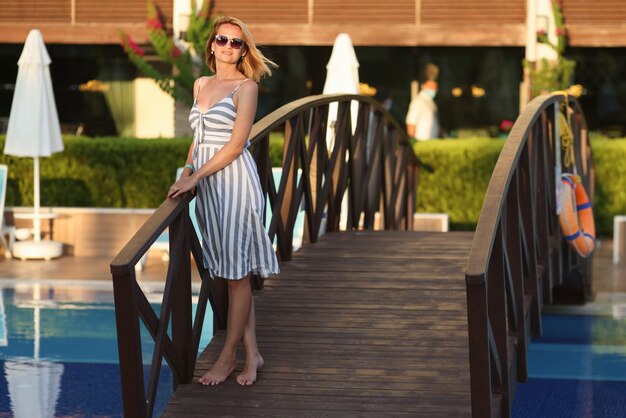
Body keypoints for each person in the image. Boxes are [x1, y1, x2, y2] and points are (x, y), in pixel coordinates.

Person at [167, 15, 279, 387]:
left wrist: (195, 178)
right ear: (212, 45)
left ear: (244, 49)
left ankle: (229, 357)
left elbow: (234, 145)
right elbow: (198, 137)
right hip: (208, 187)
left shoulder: (246, 87)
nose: (229, 47)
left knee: (236, 275)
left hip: (233, 183)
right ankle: (254, 354)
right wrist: (187, 169)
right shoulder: (201, 83)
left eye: (237, 43)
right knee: (231, 273)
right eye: (223, 40)